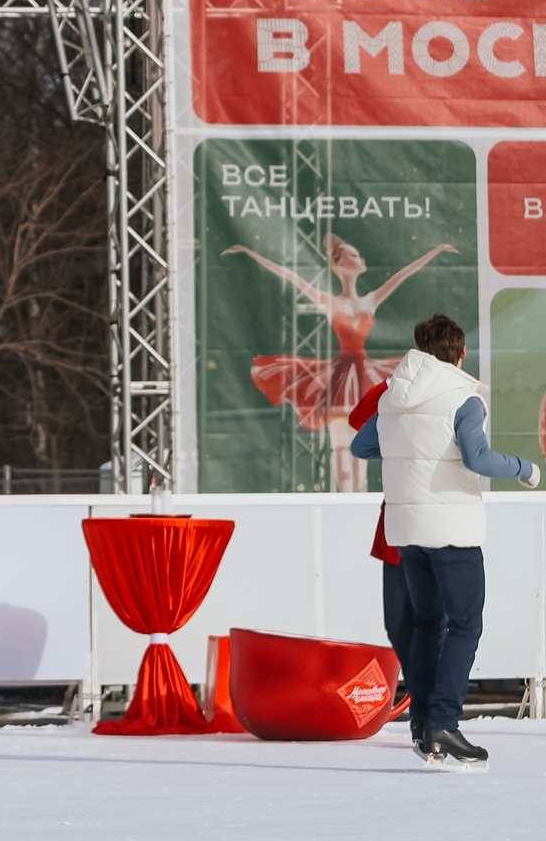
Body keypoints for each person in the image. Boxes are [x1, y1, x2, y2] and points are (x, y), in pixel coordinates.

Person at [348, 313, 537, 770]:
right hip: (452, 530)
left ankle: (423, 726)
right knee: (466, 623)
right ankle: (445, 724)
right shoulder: (462, 397)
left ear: (418, 349)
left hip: (407, 533)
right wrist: (524, 469)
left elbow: (360, 446)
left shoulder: (394, 398)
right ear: (462, 353)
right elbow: (478, 457)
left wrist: (401, 451)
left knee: (427, 625)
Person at [228, 235, 456, 490]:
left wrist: (435, 250)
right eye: (353, 255)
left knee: (361, 446)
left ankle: (358, 500)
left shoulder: (370, 299)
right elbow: (291, 277)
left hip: (363, 375)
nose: (360, 259)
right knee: (339, 448)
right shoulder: (329, 301)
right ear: (340, 263)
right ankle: (343, 499)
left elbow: (403, 274)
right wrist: (250, 252)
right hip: (338, 378)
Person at [347, 381, 421, 742]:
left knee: (432, 624)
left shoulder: (453, 395)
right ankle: (425, 699)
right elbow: (358, 421)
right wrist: (391, 385)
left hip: (432, 528)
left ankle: (433, 707)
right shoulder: (397, 395)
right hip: (396, 529)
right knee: (397, 625)